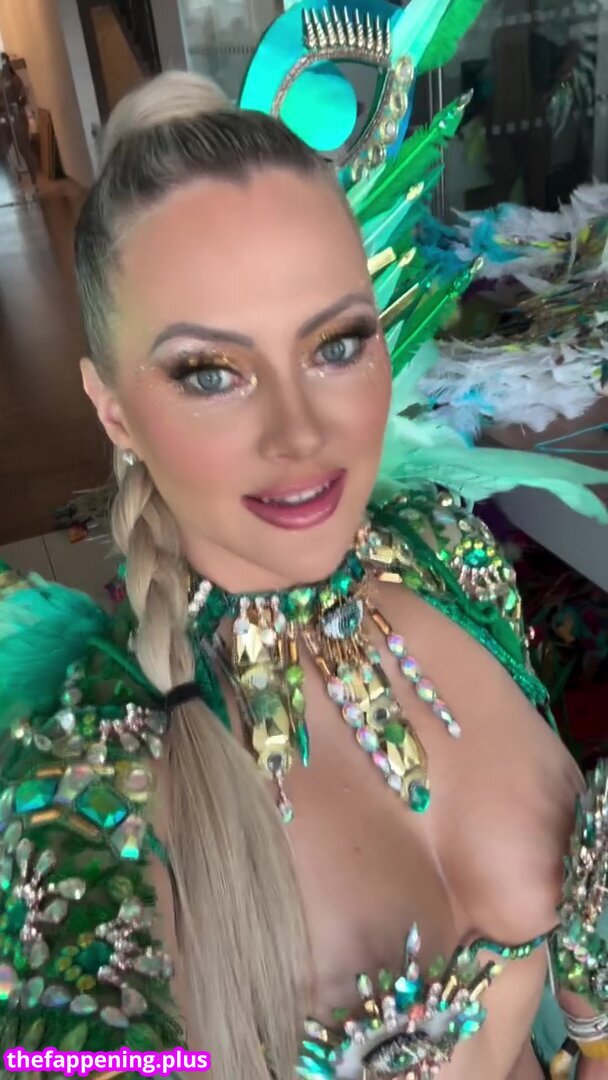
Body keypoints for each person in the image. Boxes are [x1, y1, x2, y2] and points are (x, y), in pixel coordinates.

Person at [0, 3, 607, 1079]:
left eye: (335, 345)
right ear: (111, 410)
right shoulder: (78, 778)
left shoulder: (442, 552)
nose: (299, 435)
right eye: (209, 372)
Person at [0, 51, 38, 192]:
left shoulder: (15, 80)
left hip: (17, 117)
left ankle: (35, 183)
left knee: (24, 148)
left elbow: (23, 98)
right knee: (3, 149)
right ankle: (13, 178)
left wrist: (15, 105)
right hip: (4, 119)